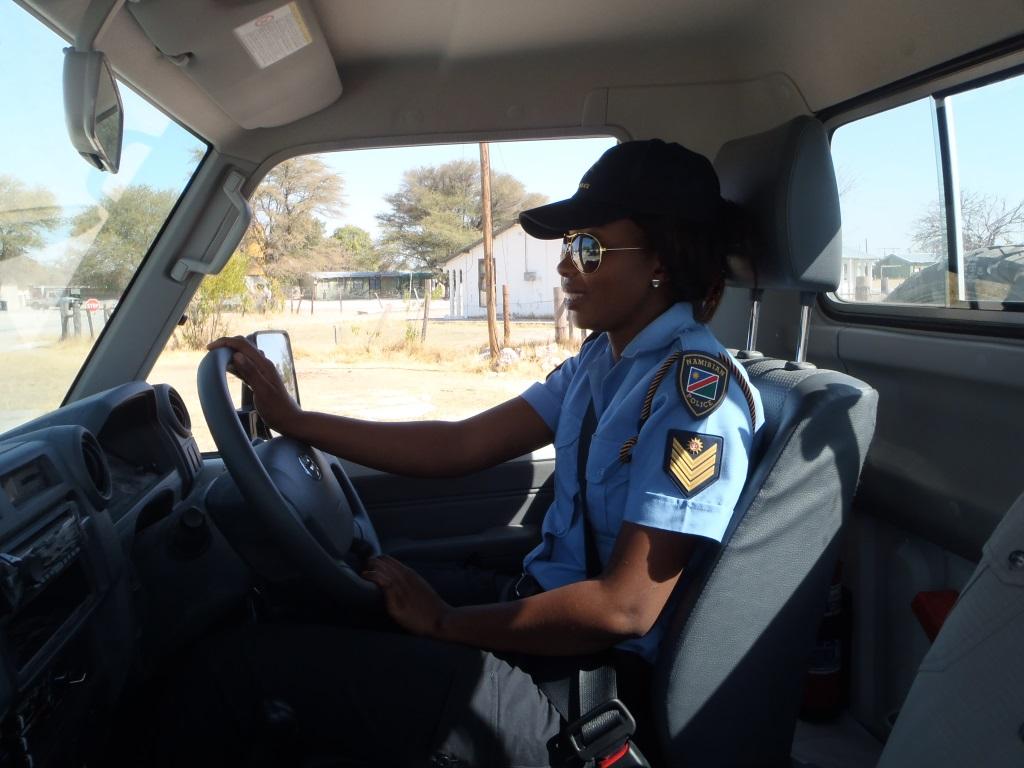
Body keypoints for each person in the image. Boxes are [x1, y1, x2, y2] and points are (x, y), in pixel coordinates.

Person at [182, 139, 763, 767]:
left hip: (587, 687)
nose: (567, 266)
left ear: (662, 263)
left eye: (589, 248)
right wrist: (298, 421)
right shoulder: (605, 360)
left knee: (241, 676)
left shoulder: (694, 397)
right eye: (567, 246)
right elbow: (462, 443)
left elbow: (625, 606)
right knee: (322, 605)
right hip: (540, 610)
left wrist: (444, 624)